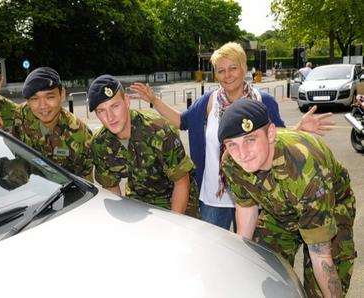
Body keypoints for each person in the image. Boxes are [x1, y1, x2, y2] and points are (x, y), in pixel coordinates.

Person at [130, 42, 334, 230]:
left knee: (249, 253)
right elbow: (182, 122)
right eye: (221, 70)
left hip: (254, 193)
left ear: (244, 68)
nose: (227, 75)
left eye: (233, 68)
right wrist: (154, 100)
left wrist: (298, 129)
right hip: (213, 195)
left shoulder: (264, 101)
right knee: (215, 253)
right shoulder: (208, 102)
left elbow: (276, 137)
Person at [219, 99, 356, 297]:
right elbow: (246, 208)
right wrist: (243, 260)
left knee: (321, 287)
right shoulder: (232, 163)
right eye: (233, 145)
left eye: (250, 140)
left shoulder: (307, 170)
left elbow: (321, 256)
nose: (242, 154)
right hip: (279, 211)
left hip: (330, 207)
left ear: (271, 134)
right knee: (263, 274)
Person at [89, 74, 198, 215]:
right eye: (101, 111)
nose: (110, 117)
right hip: (138, 199)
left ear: (127, 101)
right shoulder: (100, 143)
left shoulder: (159, 130)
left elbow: (181, 182)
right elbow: (111, 187)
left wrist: (174, 227)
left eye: (115, 106)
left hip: (174, 198)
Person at [12, 67, 93, 181]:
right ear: (28, 101)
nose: (42, 106)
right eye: (34, 99)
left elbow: (86, 181)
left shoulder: (80, 135)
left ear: (62, 94)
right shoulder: (20, 115)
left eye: (50, 97)